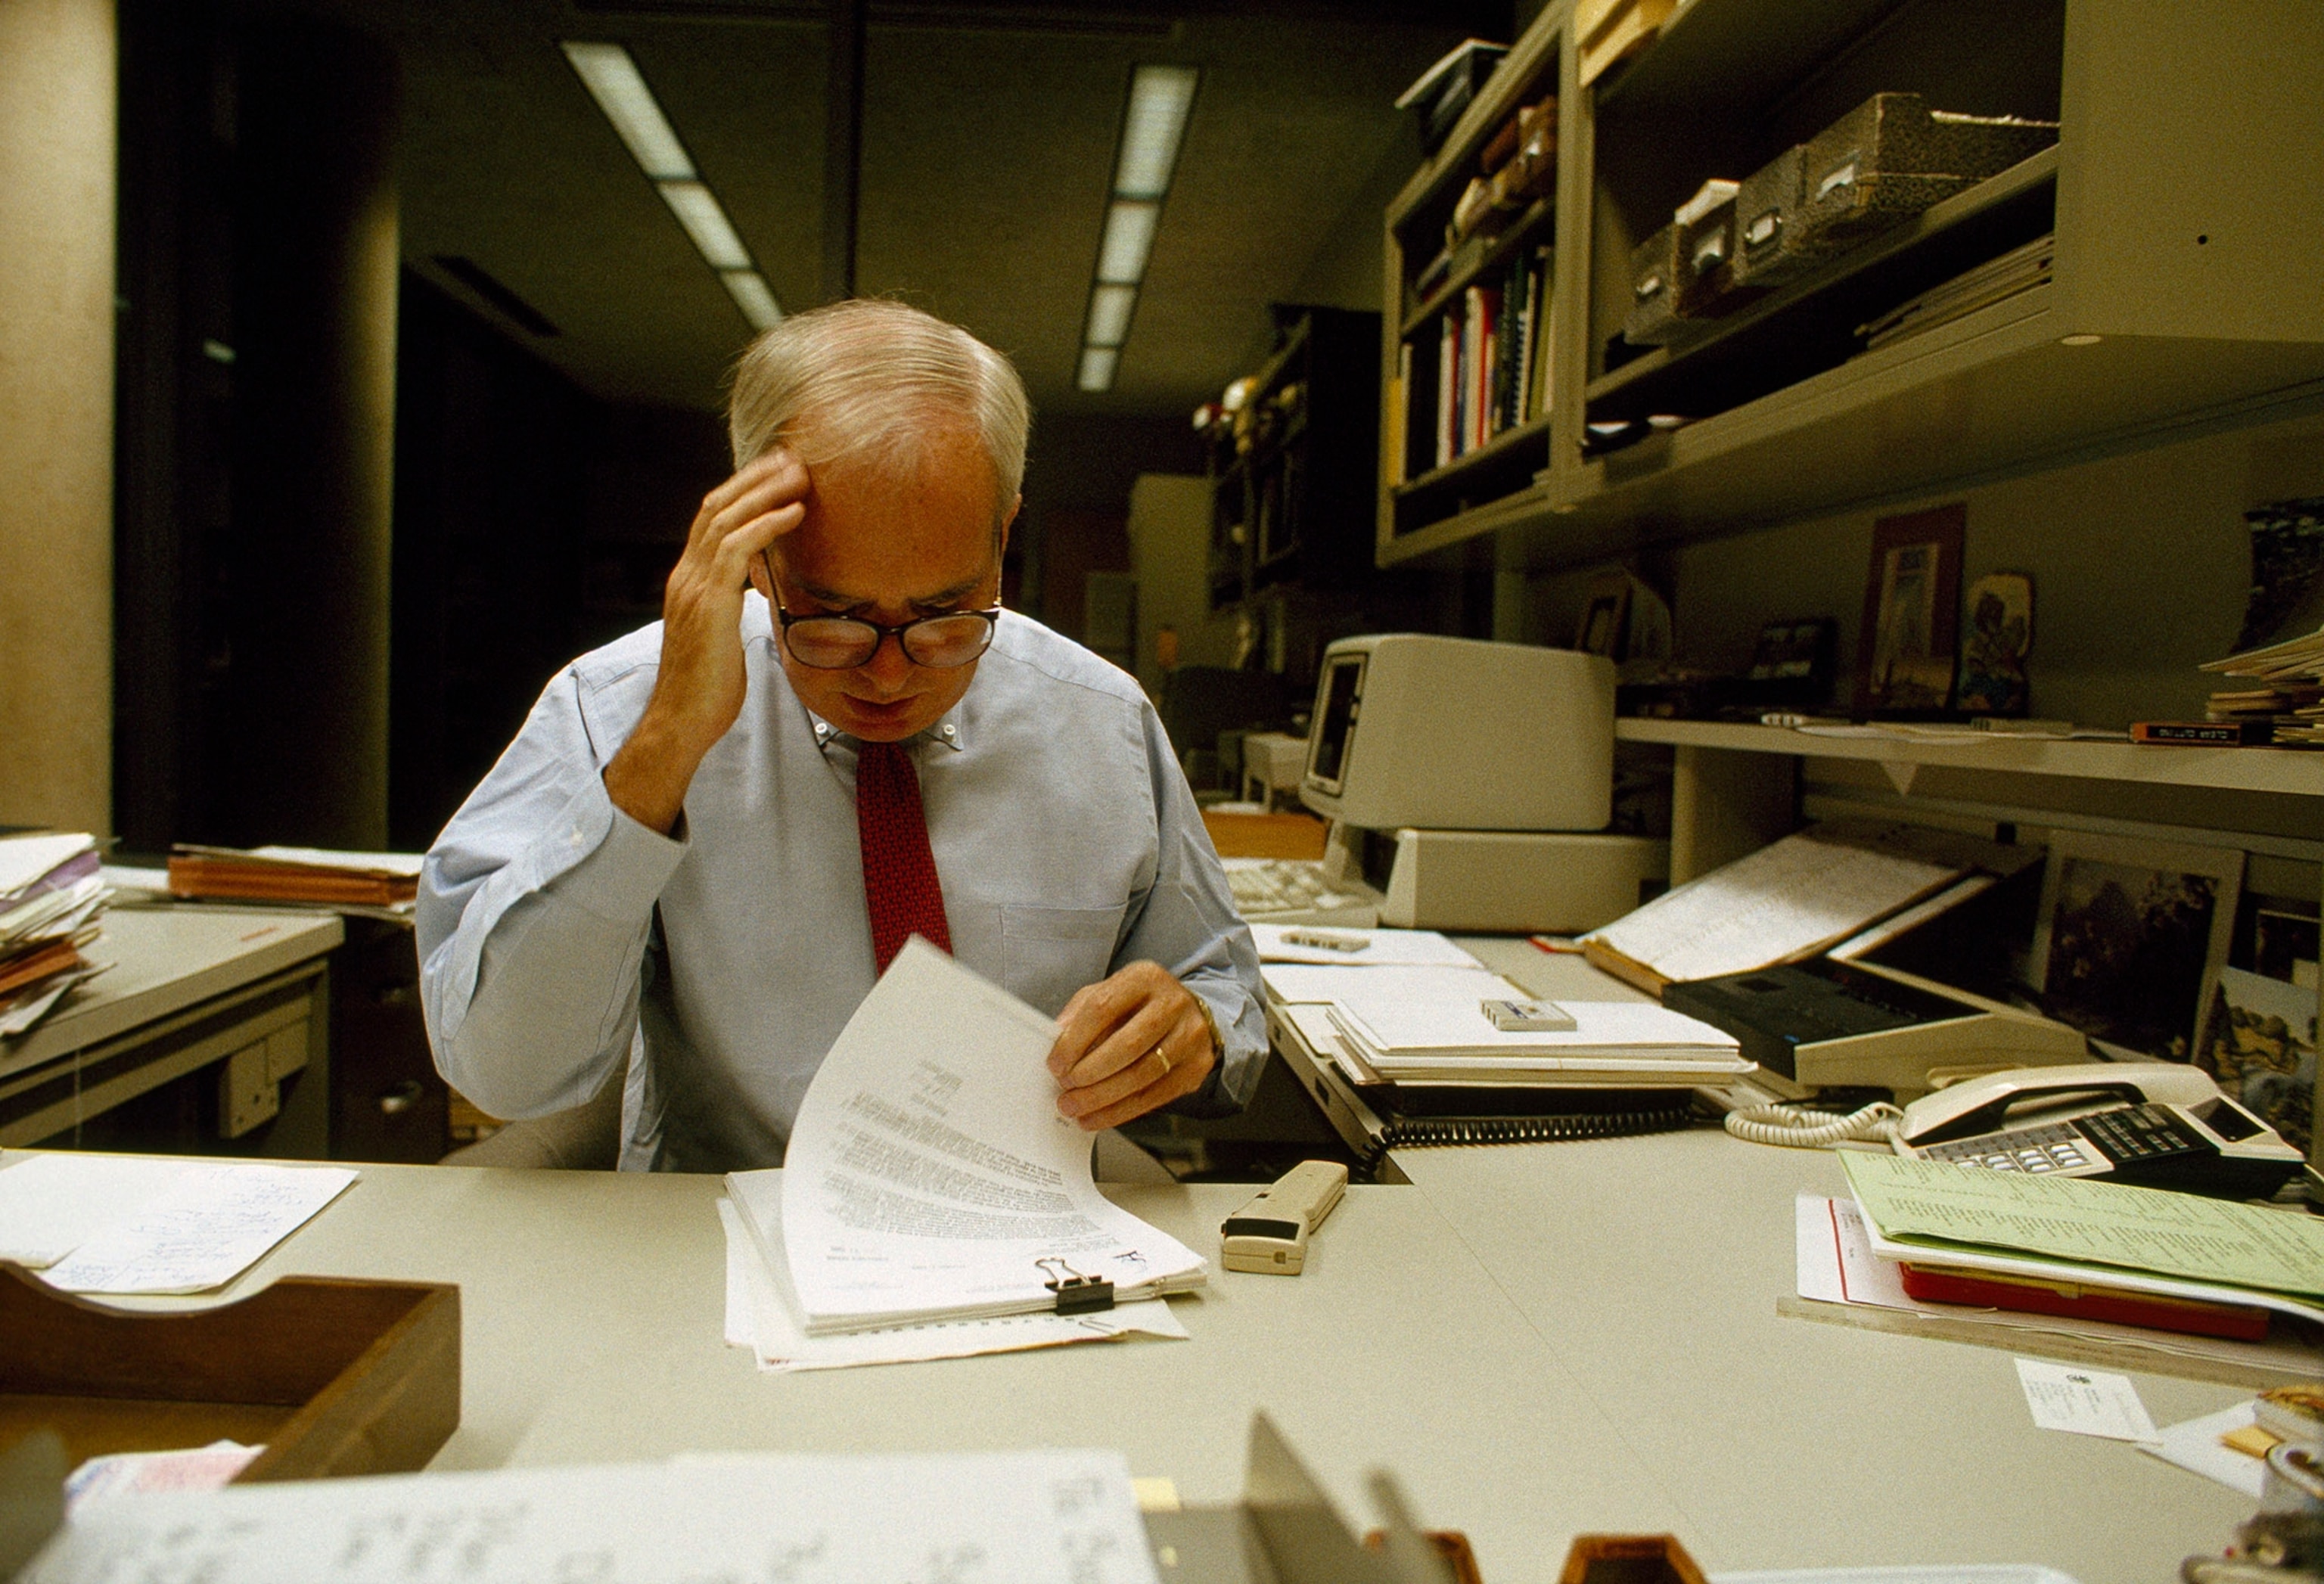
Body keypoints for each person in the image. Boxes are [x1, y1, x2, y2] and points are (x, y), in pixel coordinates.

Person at [417, 300, 1264, 1172]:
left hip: (1022, 1225)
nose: (889, 675)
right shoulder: (617, 705)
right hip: (723, 1222)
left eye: (943, 615)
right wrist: (664, 746)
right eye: (830, 618)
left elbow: (1220, 990)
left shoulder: (1103, 721)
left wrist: (1189, 1028)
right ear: (754, 555)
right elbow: (502, 1072)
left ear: (1004, 533)